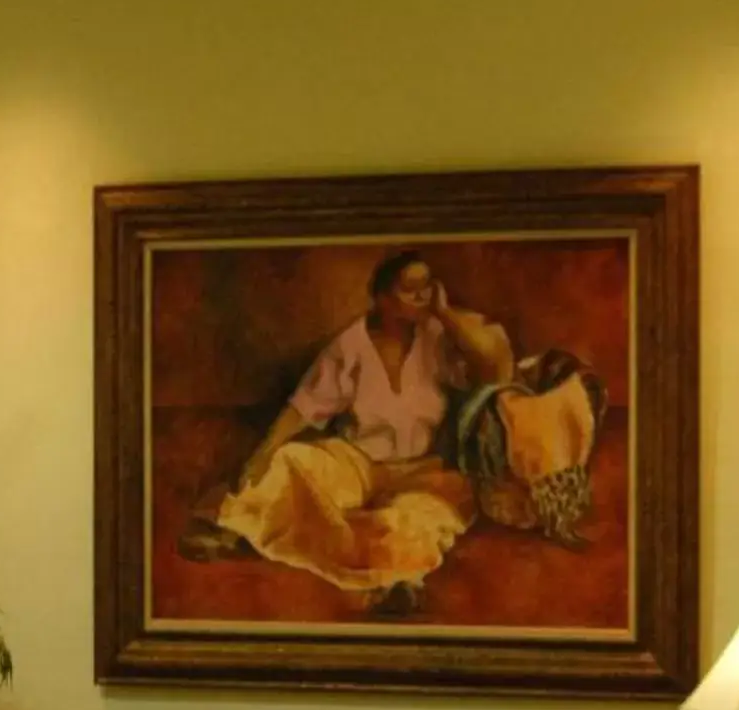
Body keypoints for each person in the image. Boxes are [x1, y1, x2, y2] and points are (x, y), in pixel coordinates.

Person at [181, 250, 516, 612]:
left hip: (423, 470)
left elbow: (496, 369)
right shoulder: (352, 345)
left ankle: (395, 580)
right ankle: (235, 524)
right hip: (355, 462)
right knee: (289, 460)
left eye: (427, 287)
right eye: (410, 290)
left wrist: (446, 312)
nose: (423, 298)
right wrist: (262, 454)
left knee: (410, 518)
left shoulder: (440, 339)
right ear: (383, 298)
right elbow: (305, 406)